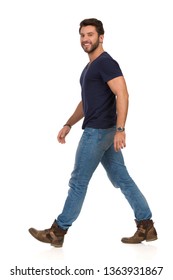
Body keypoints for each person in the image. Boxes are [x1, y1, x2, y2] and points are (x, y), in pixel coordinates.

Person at [29, 18, 157, 247]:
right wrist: (68, 123)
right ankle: (146, 226)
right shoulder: (90, 67)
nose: (86, 39)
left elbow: (123, 94)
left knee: (78, 181)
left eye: (90, 34)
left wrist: (121, 129)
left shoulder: (106, 63)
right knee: (122, 179)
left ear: (101, 37)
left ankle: (57, 231)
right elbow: (86, 102)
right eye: (82, 35)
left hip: (99, 132)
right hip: (103, 132)